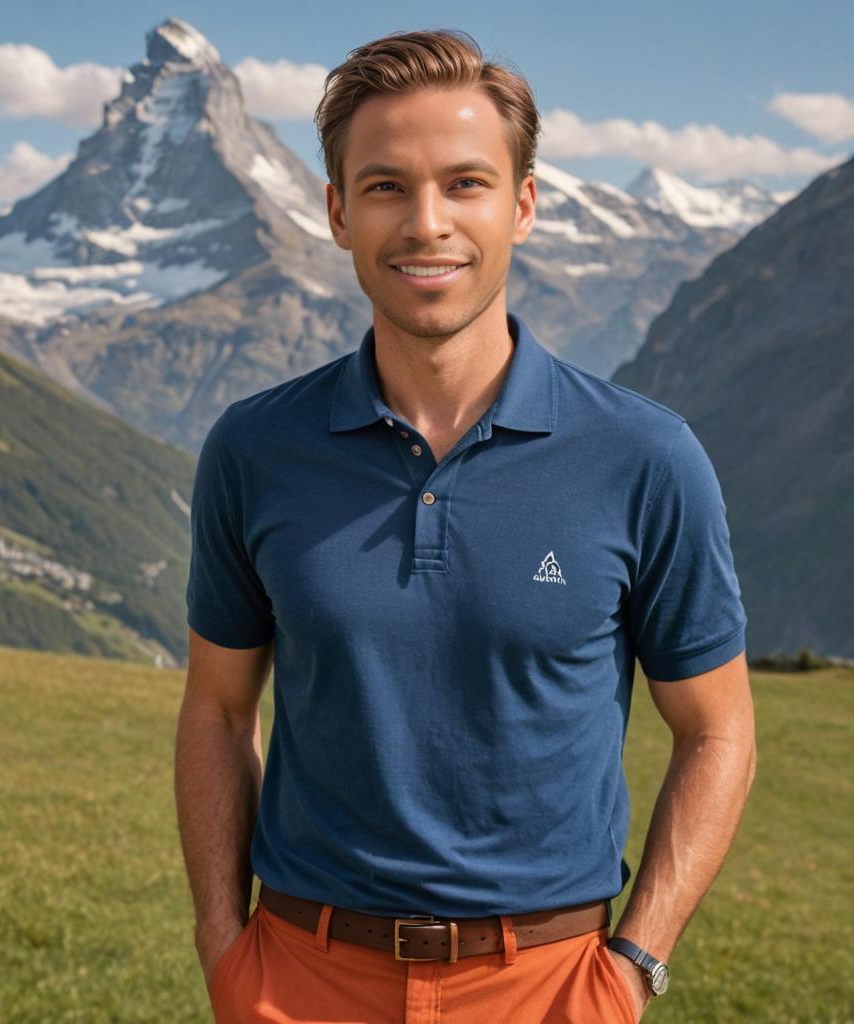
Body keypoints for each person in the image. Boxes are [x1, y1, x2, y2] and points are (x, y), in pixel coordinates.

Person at [174, 27, 757, 1024]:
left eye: (466, 184)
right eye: (387, 186)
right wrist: (224, 946)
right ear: (336, 211)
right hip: (298, 977)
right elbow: (219, 712)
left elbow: (718, 730)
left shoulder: (644, 457)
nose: (426, 223)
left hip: (549, 983)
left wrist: (631, 967)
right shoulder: (253, 449)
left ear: (522, 205)